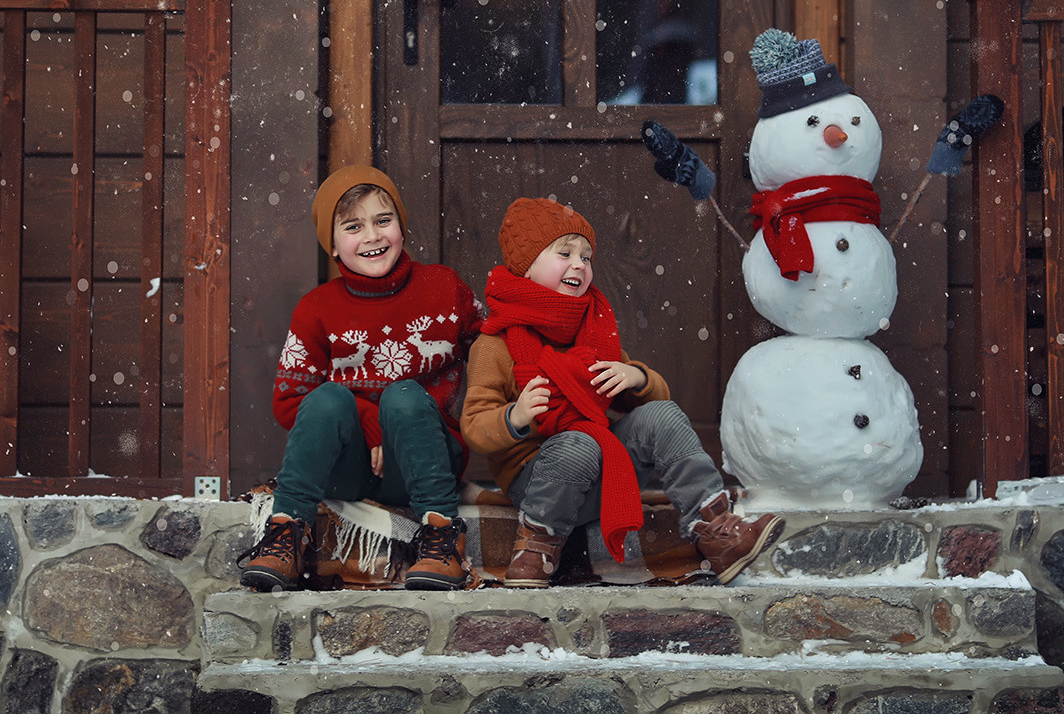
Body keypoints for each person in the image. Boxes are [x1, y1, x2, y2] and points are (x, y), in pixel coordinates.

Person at [461, 196, 785, 588]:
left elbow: (657, 401)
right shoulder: (496, 343)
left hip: (600, 474)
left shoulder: (592, 327)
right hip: (538, 483)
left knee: (661, 416)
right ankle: (536, 546)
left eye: (586, 256)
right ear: (524, 267)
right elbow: (476, 427)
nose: (579, 264)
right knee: (578, 442)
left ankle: (716, 529)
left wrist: (635, 377)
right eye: (564, 253)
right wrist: (515, 416)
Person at [239, 165, 482, 592]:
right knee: (328, 397)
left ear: (401, 229)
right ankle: (287, 532)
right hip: (348, 468)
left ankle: (441, 536)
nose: (372, 236)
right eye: (353, 226)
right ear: (332, 245)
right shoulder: (316, 308)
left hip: (423, 461)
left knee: (405, 396)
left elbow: (492, 345)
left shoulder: (444, 288)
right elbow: (289, 401)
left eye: (383, 221)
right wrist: (369, 420)